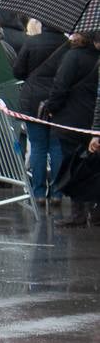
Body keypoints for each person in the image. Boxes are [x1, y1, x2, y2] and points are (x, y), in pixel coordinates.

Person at [42, 32, 100, 227]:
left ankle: (78, 212)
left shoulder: (73, 56)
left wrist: (51, 107)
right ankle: (96, 209)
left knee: (74, 165)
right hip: (94, 119)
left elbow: (60, 86)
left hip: (72, 119)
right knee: (95, 165)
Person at [13, 23, 69, 202]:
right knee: (56, 147)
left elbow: (18, 71)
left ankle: (38, 192)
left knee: (38, 146)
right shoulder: (66, 44)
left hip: (33, 101)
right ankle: (57, 192)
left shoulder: (32, 42)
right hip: (58, 101)